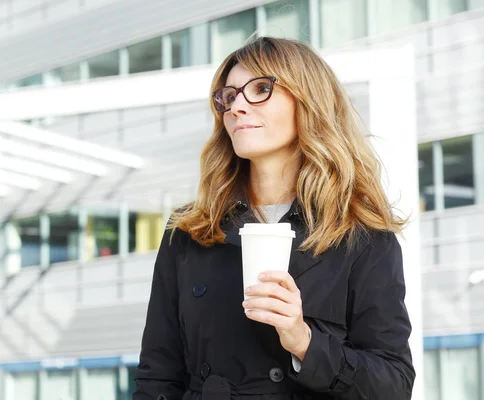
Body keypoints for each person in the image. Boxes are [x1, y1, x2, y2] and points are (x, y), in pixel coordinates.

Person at [133, 36, 415, 400]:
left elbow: (393, 385)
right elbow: (157, 377)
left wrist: (304, 342)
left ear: (308, 101)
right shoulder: (190, 230)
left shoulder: (360, 234)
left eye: (261, 89)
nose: (237, 108)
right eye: (229, 96)